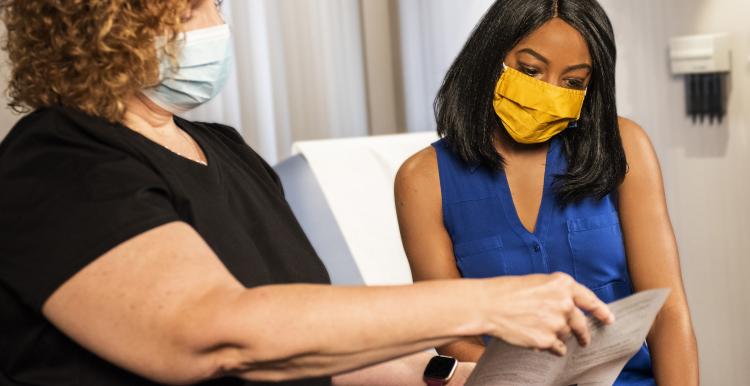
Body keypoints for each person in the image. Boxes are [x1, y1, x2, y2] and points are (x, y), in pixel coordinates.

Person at [0, 1, 616, 385]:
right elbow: (215, 334)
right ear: (107, 20)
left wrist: (451, 376)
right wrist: (486, 304)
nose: (217, 25)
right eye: (191, 8)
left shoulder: (227, 151)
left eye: (216, 4)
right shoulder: (58, 160)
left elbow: (304, 348)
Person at [395, 0, 699, 385]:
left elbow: (668, 313)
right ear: (490, 58)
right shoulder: (422, 178)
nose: (549, 91)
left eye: (573, 82)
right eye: (531, 70)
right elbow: (451, 336)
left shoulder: (625, 147)